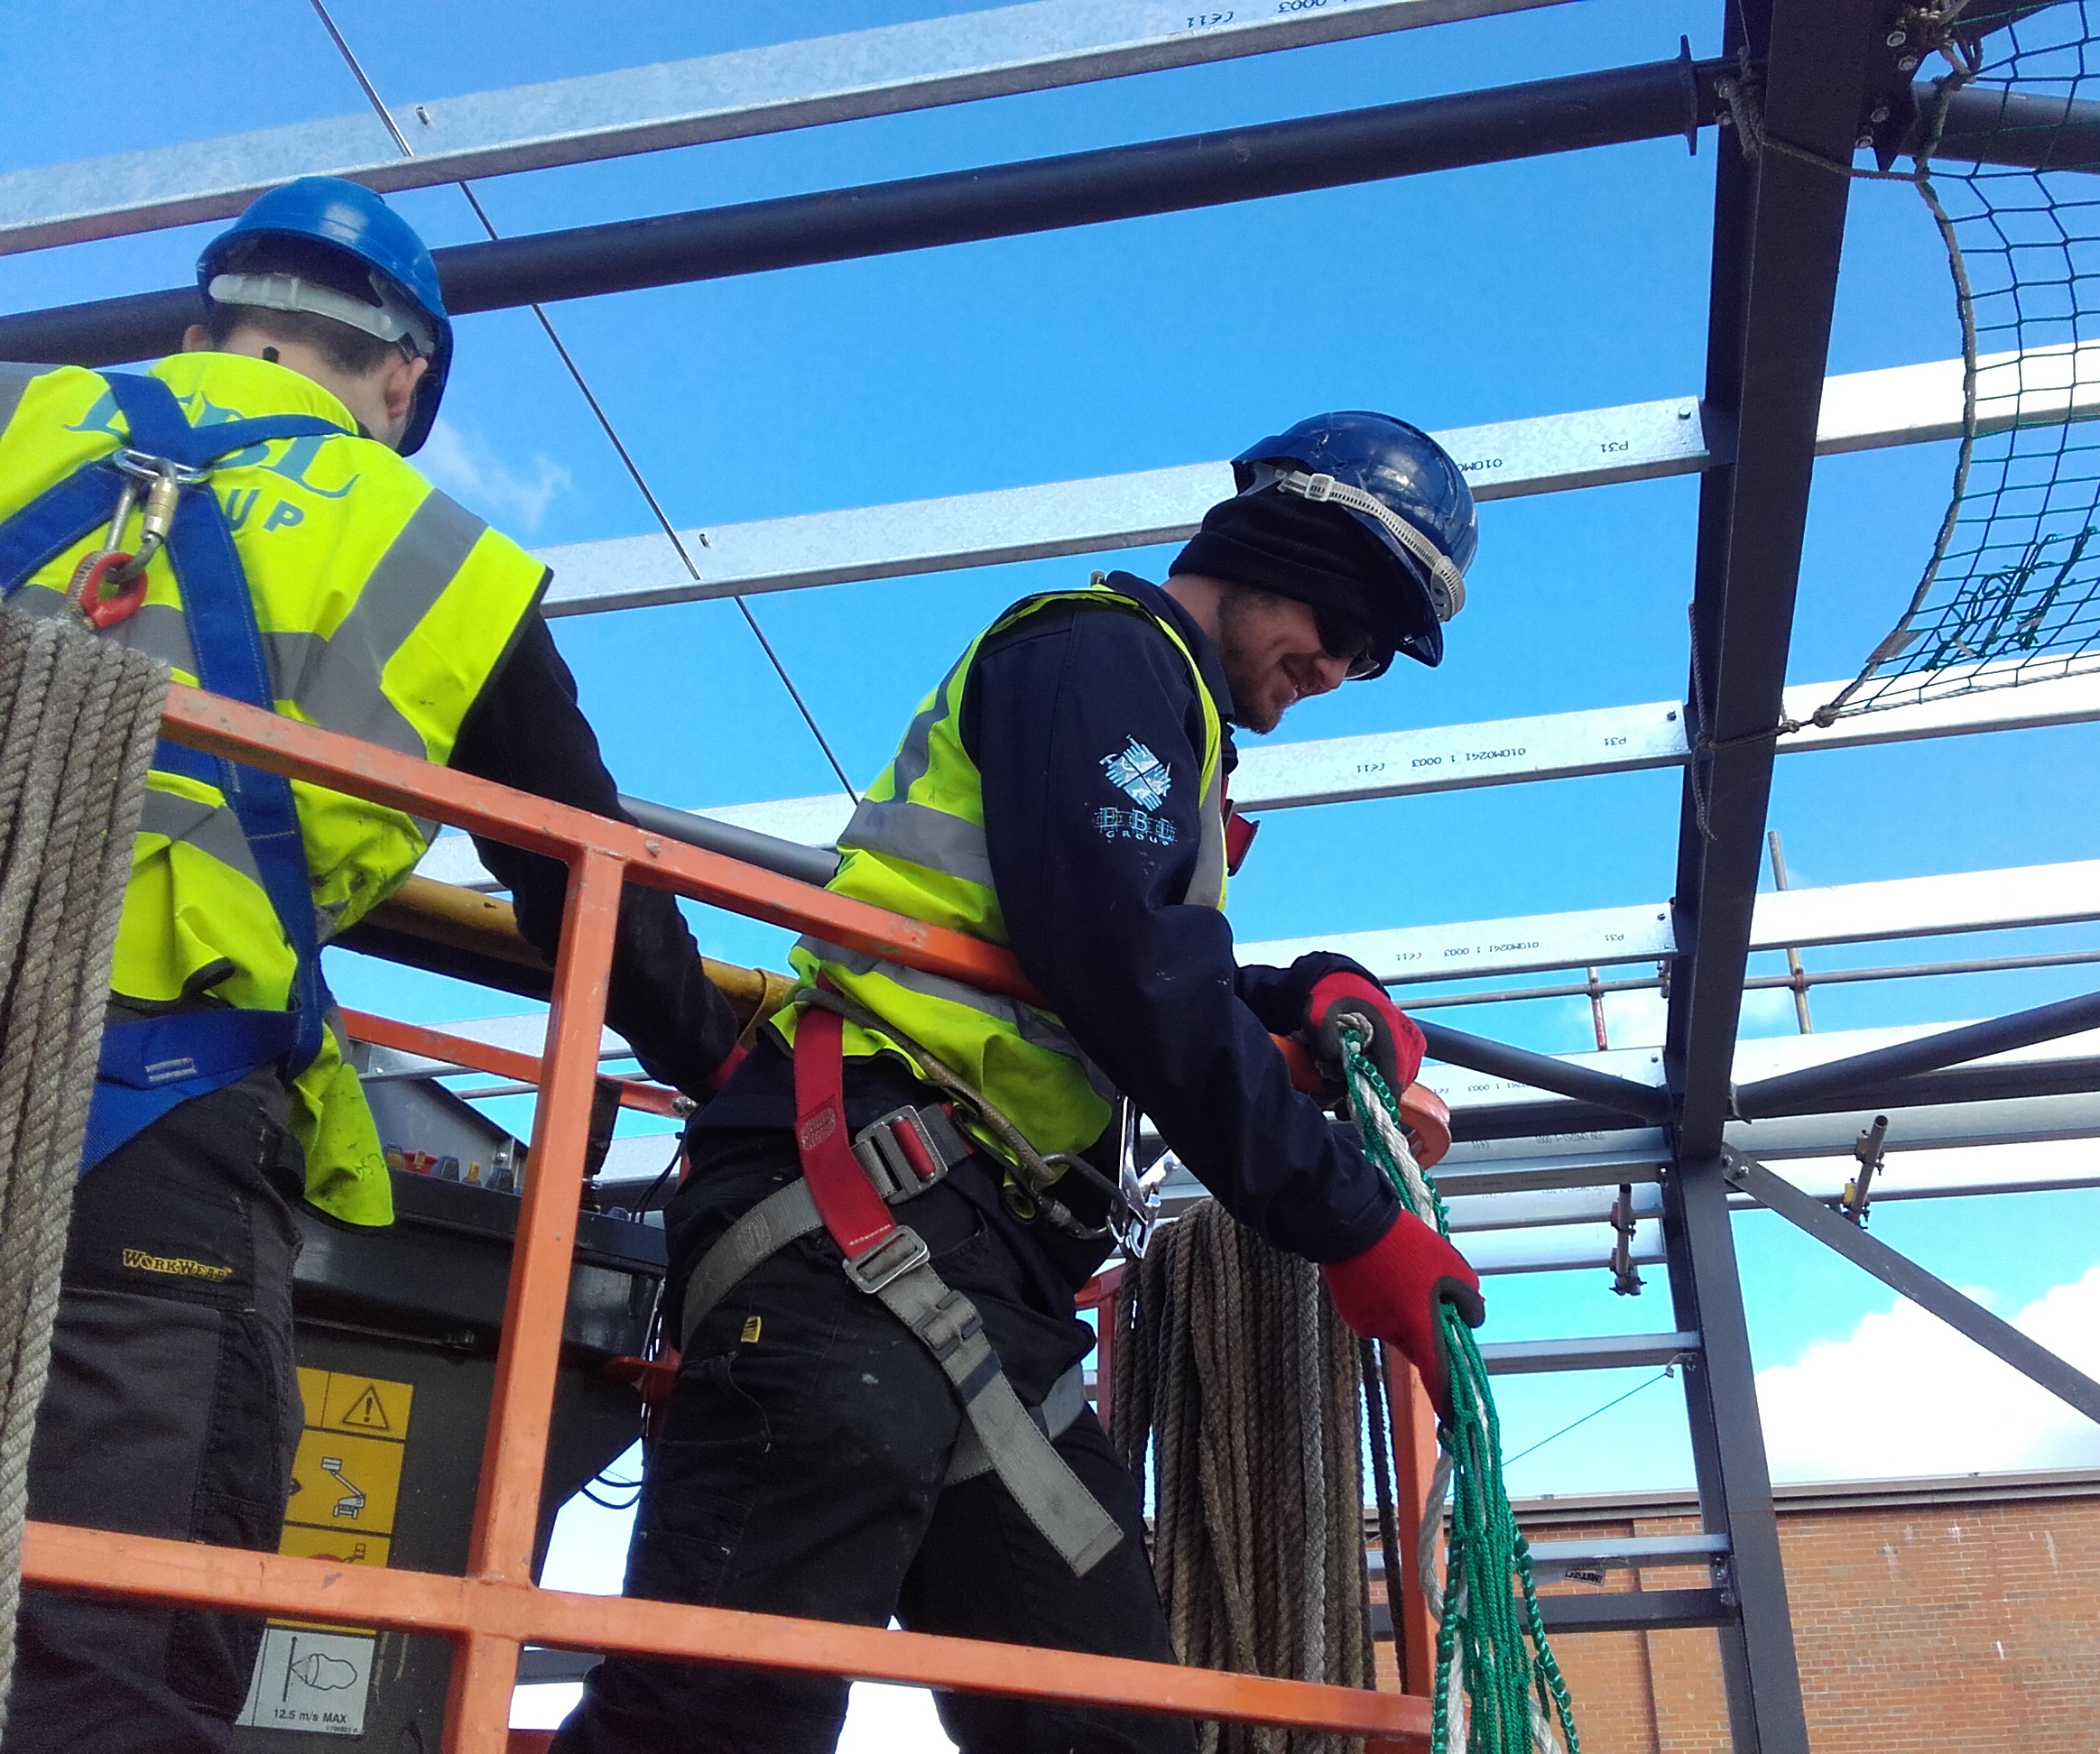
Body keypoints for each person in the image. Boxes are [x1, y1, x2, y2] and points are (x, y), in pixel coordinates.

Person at [553, 411, 1488, 1754]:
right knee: (722, 1713)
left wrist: (1296, 995)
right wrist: (1348, 1219)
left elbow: (1115, 951)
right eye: (1343, 621)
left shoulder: (1160, 718)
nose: (1339, 668)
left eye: (1374, 653)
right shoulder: (1096, 655)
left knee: (1115, 1729)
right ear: (1278, 549)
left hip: (983, 1259)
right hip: (856, 1198)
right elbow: (1125, 964)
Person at [0, 177, 739, 1753]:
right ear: (405, 377)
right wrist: (729, 1077)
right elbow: (585, 883)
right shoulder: (433, 555)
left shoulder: (20, 414)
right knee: (114, 1640)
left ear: (205, 321)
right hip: (148, 1114)